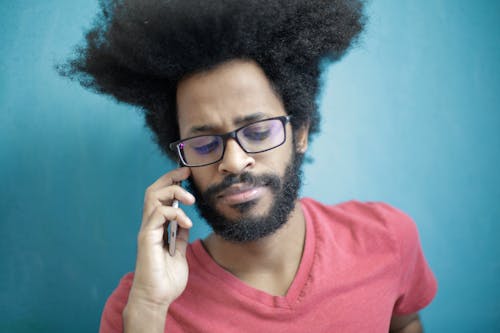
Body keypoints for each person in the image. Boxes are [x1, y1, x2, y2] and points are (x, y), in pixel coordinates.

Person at [59, 0, 437, 332]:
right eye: (204, 143)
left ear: (300, 131)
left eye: (257, 132)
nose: (234, 162)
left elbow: (404, 323)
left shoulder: (387, 238)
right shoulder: (141, 303)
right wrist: (149, 309)